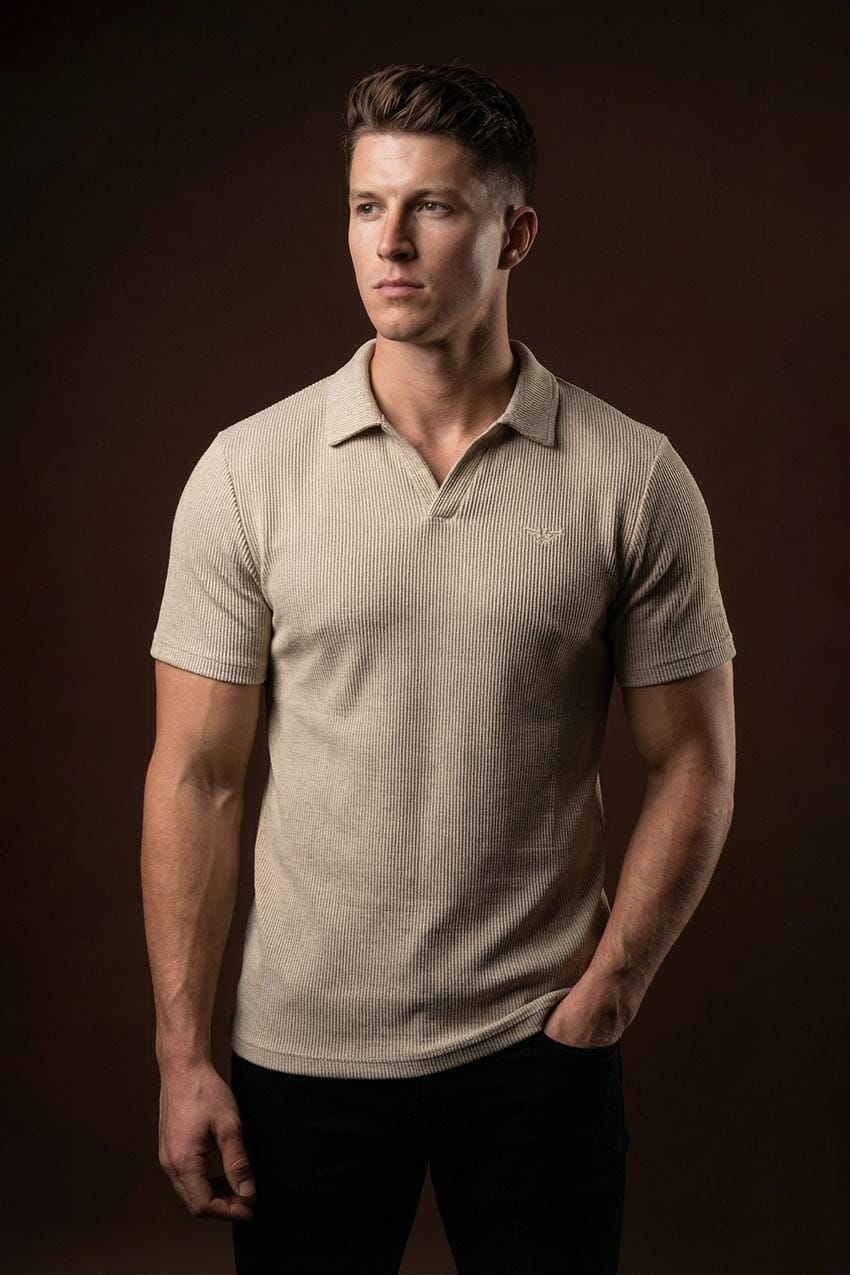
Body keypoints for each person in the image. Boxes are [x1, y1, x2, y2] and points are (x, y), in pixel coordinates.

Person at [141, 60, 737, 1275]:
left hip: (537, 1052)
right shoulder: (247, 474)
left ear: (515, 234)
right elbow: (197, 778)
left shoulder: (632, 479)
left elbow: (695, 763)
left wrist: (609, 994)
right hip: (300, 1059)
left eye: (434, 207)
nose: (392, 243)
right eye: (368, 206)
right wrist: (181, 1055)